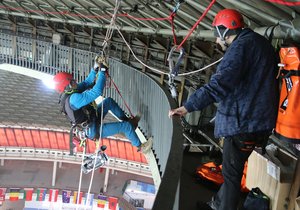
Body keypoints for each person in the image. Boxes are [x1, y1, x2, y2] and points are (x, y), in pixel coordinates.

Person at [169, 9, 278, 210]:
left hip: (244, 122)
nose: (218, 40)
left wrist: (187, 107)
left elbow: (219, 85)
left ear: (223, 31)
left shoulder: (239, 49)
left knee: (231, 176)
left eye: (217, 34)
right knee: (231, 170)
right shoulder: (259, 43)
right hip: (257, 119)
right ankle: (216, 205)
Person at [53, 56, 152, 154]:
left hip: (92, 119)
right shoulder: (73, 99)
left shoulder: (70, 93)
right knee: (125, 127)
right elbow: (97, 91)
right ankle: (141, 147)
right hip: (92, 129)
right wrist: (102, 71)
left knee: (108, 102)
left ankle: (130, 123)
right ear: (67, 86)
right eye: (72, 81)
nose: (75, 82)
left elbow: (86, 83)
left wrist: (95, 69)